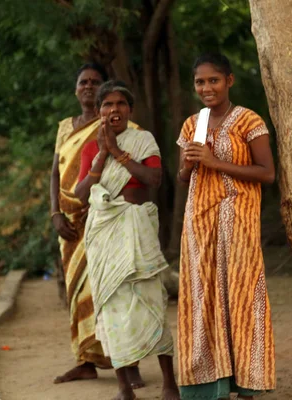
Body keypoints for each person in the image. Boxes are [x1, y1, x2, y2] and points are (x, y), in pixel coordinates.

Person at [176, 53, 277, 400]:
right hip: (200, 225)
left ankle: (248, 385)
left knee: (242, 296)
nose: (207, 88)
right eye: (200, 82)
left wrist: (215, 161)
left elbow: (267, 173)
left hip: (239, 222)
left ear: (229, 81)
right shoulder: (193, 123)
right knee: (203, 298)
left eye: (214, 80)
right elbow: (182, 176)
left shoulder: (249, 121)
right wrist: (190, 163)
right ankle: (210, 386)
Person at [74, 80, 180, 400]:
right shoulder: (91, 147)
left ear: (130, 111)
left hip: (137, 227)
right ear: (99, 111)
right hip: (104, 233)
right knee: (111, 306)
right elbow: (80, 195)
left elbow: (154, 180)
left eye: (121, 104)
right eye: (107, 105)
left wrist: (117, 152)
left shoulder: (143, 139)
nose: (114, 110)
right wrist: (102, 154)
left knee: (150, 299)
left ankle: (169, 383)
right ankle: (123, 387)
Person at [50, 63, 143, 387]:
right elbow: (54, 174)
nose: (88, 86)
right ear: (76, 89)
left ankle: (129, 363)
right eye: (83, 82)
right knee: (78, 292)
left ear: (104, 89)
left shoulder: (122, 126)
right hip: (71, 223)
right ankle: (86, 359)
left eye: (94, 82)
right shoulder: (66, 127)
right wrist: (55, 214)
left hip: (105, 219)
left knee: (116, 290)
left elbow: (131, 172)